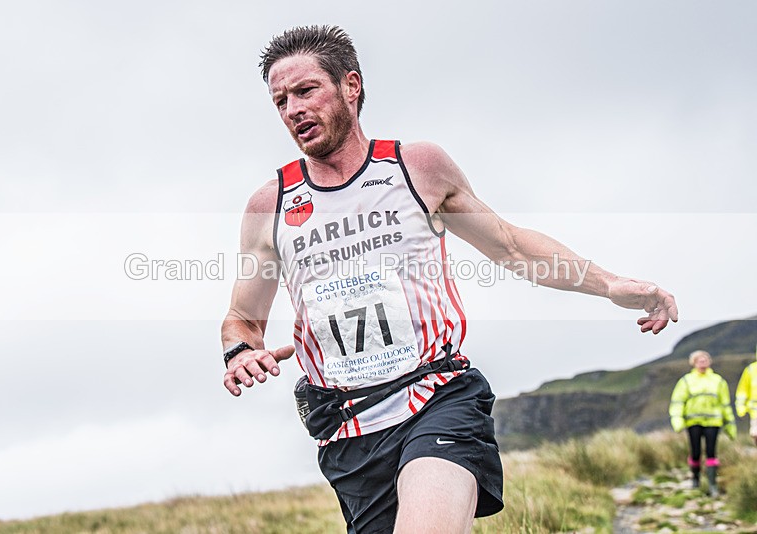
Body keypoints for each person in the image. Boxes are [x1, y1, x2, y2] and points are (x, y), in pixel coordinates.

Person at [220, 25, 679, 534]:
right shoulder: (271, 205)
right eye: (280, 101)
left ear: (352, 86)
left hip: (437, 397)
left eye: (306, 91)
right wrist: (241, 352)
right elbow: (243, 319)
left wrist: (611, 285)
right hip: (348, 426)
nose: (293, 110)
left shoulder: (416, 168)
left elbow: (510, 244)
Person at [669, 350, 736, 497]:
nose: (703, 362)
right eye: (699, 360)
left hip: (713, 421)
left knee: (711, 452)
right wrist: (677, 420)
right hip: (693, 421)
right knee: (696, 451)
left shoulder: (718, 381)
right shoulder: (686, 381)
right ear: (693, 362)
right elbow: (678, 401)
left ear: (710, 362)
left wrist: (730, 424)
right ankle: (695, 479)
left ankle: (713, 485)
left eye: (705, 359)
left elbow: (725, 404)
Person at [735, 345, 757, 446]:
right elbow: (742, 391)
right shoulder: (751, 369)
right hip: (755, 412)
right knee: (755, 434)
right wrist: (741, 408)